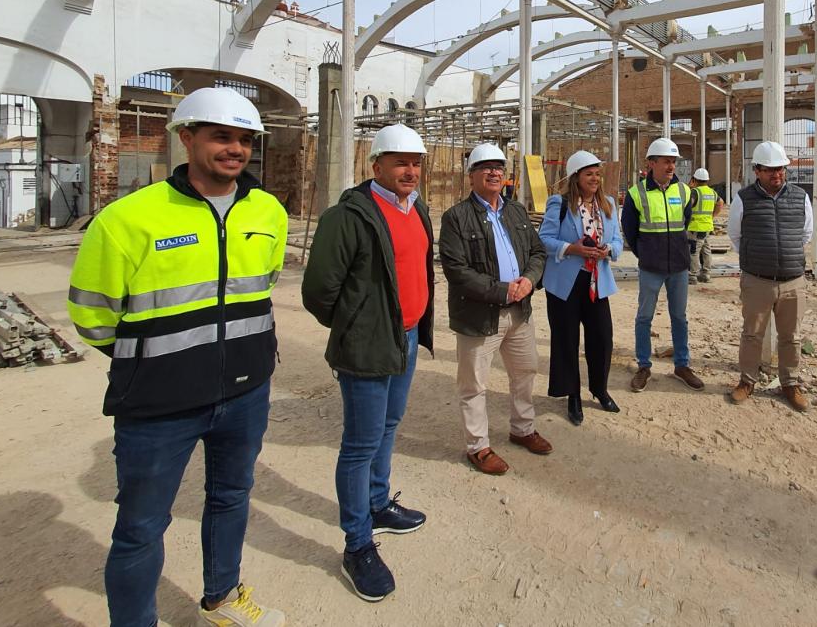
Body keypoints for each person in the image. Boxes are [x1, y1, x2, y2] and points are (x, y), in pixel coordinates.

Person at [66, 86, 287, 627]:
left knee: (232, 498)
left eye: (244, 139)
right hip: (158, 404)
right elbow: (92, 315)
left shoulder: (268, 212)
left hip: (244, 391)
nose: (235, 149)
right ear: (186, 138)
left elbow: (265, 284)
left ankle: (222, 598)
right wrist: (154, 362)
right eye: (221, 136)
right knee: (141, 527)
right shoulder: (129, 219)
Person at [301, 124, 434, 603]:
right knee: (358, 444)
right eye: (399, 161)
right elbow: (318, 291)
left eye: (416, 162)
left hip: (409, 338)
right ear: (374, 165)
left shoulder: (416, 208)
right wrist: (356, 326)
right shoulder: (349, 216)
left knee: (389, 425)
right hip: (368, 345)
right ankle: (357, 544)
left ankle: (378, 503)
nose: (409, 170)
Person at [439, 142, 550, 475]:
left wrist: (528, 281)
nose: (493, 172)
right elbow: (457, 271)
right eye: (485, 167)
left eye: (499, 167)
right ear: (471, 175)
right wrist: (503, 291)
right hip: (479, 315)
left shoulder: (515, 211)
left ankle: (522, 429)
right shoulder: (456, 217)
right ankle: (478, 447)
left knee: (525, 372)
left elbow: (537, 253)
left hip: (520, 312)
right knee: (473, 384)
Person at [726, 141, 813, 412]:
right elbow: (735, 236)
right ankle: (747, 381)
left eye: (781, 170)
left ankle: (790, 383)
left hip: (792, 280)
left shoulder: (800, 197)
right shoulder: (743, 199)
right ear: (757, 171)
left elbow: (806, 235)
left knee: (791, 336)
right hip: (757, 280)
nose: (777, 175)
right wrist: (757, 258)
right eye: (770, 170)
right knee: (752, 334)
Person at [539, 150, 623, 425]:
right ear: (576, 177)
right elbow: (544, 240)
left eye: (598, 174)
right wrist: (571, 249)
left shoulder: (608, 205)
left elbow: (619, 243)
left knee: (601, 339)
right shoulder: (560, 203)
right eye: (589, 174)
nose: (595, 179)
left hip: (597, 283)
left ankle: (599, 389)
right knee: (566, 340)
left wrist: (608, 249)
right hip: (566, 284)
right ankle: (572, 395)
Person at [621, 138, 704, 392]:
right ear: (651, 163)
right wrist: (645, 253)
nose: (671, 166)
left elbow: (685, 222)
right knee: (644, 317)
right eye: (666, 161)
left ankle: (681, 365)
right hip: (651, 267)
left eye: (673, 162)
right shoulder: (637, 194)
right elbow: (630, 230)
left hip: (678, 266)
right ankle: (644, 365)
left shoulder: (685, 191)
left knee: (679, 317)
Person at [686, 167, 723, 284]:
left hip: (696, 227)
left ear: (694, 179)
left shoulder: (695, 192)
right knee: (706, 250)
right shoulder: (712, 192)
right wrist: (712, 215)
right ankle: (706, 274)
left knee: (694, 251)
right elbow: (720, 202)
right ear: (707, 180)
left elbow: (687, 206)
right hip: (707, 226)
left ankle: (692, 275)